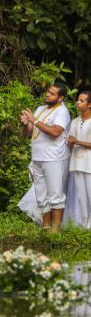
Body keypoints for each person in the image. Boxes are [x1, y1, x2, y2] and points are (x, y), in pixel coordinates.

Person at [17, 82, 71, 232]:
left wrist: (34, 121)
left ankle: (56, 229)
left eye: (53, 93)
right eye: (48, 91)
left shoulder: (62, 111)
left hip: (54, 158)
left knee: (55, 195)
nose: (48, 94)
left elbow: (55, 132)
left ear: (61, 98)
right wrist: (26, 123)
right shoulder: (40, 109)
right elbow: (29, 133)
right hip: (38, 157)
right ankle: (46, 227)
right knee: (41, 195)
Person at [66, 91, 91, 228]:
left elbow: (78, 141)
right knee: (82, 196)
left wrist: (77, 142)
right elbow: (72, 141)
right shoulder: (75, 121)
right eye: (78, 100)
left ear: (90, 104)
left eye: (82, 101)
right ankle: (85, 224)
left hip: (89, 163)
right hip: (76, 162)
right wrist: (71, 142)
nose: (78, 102)